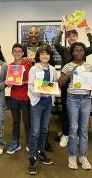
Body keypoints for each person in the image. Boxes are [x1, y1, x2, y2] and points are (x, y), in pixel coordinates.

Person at [58, 42, 92, 170]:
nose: (79, 53)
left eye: (81, 50)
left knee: (83, 129)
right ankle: (72, 155)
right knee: (73, 128)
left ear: (84, 52)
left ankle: (83, 156)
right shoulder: (68, 66)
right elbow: (60, 83)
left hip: (86, 99)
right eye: (76, 50)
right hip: (73, 99)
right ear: (72, 52)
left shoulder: (89, 66)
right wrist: (69, 74)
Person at [54, 25, 92, 147]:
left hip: (82, 83)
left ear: (77, 37)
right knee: (66, 110)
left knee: (80, 111)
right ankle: (66, 134)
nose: (71, 37)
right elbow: (56, 43)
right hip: (66, 80)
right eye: (69, 36)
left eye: (74, 35)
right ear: (66, 38)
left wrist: (89, 34)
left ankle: (77, 134)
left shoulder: (82, 49)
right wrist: (61, 30)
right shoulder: (64, 50)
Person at [27, 44, 58, 175]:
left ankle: (40, 151)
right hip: (37, 102)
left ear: (50, 56)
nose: (45, 56)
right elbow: (30, 86)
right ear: (38, 56)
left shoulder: (52, 69)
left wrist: (52, 92)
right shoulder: (34, 69)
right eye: (42, 54)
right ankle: (32, 157)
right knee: (35, 131)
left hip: (48, 103)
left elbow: (54, 84)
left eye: (47, 54)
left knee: (45, 129)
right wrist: (40, 93)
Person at [6, 43, 32, 154]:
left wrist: (24, 82)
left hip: (26, 97)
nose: (17, 53)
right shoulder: (11, 66)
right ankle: (15, 142)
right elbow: (9, 83)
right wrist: (8, 83)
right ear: (12, 53)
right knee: (15, 121)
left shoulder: (28, 64)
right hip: (14, 97)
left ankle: (30, 142)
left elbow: (32, 80)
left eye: (19, 51)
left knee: (27, 121)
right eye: (15, 51)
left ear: (22, 53)